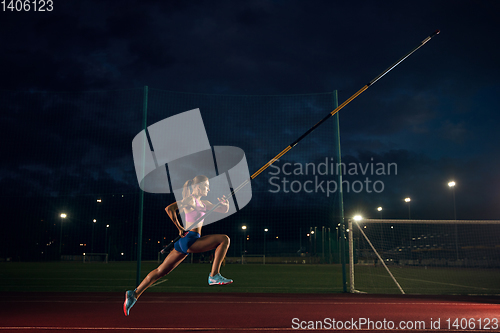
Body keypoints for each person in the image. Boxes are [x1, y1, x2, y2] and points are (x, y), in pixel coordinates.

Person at [124, 175, 232, 316]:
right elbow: (170, 209)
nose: (208, 188)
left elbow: (223, 210)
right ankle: (214, 275)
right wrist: (180, 228)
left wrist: (225, 203)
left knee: (160, 271)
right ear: (198, 186)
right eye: (206, 186)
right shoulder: (190, 200)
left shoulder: (204, 203)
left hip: (185, 242)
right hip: (190, 240)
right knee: (224, 239)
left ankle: (134, 293)